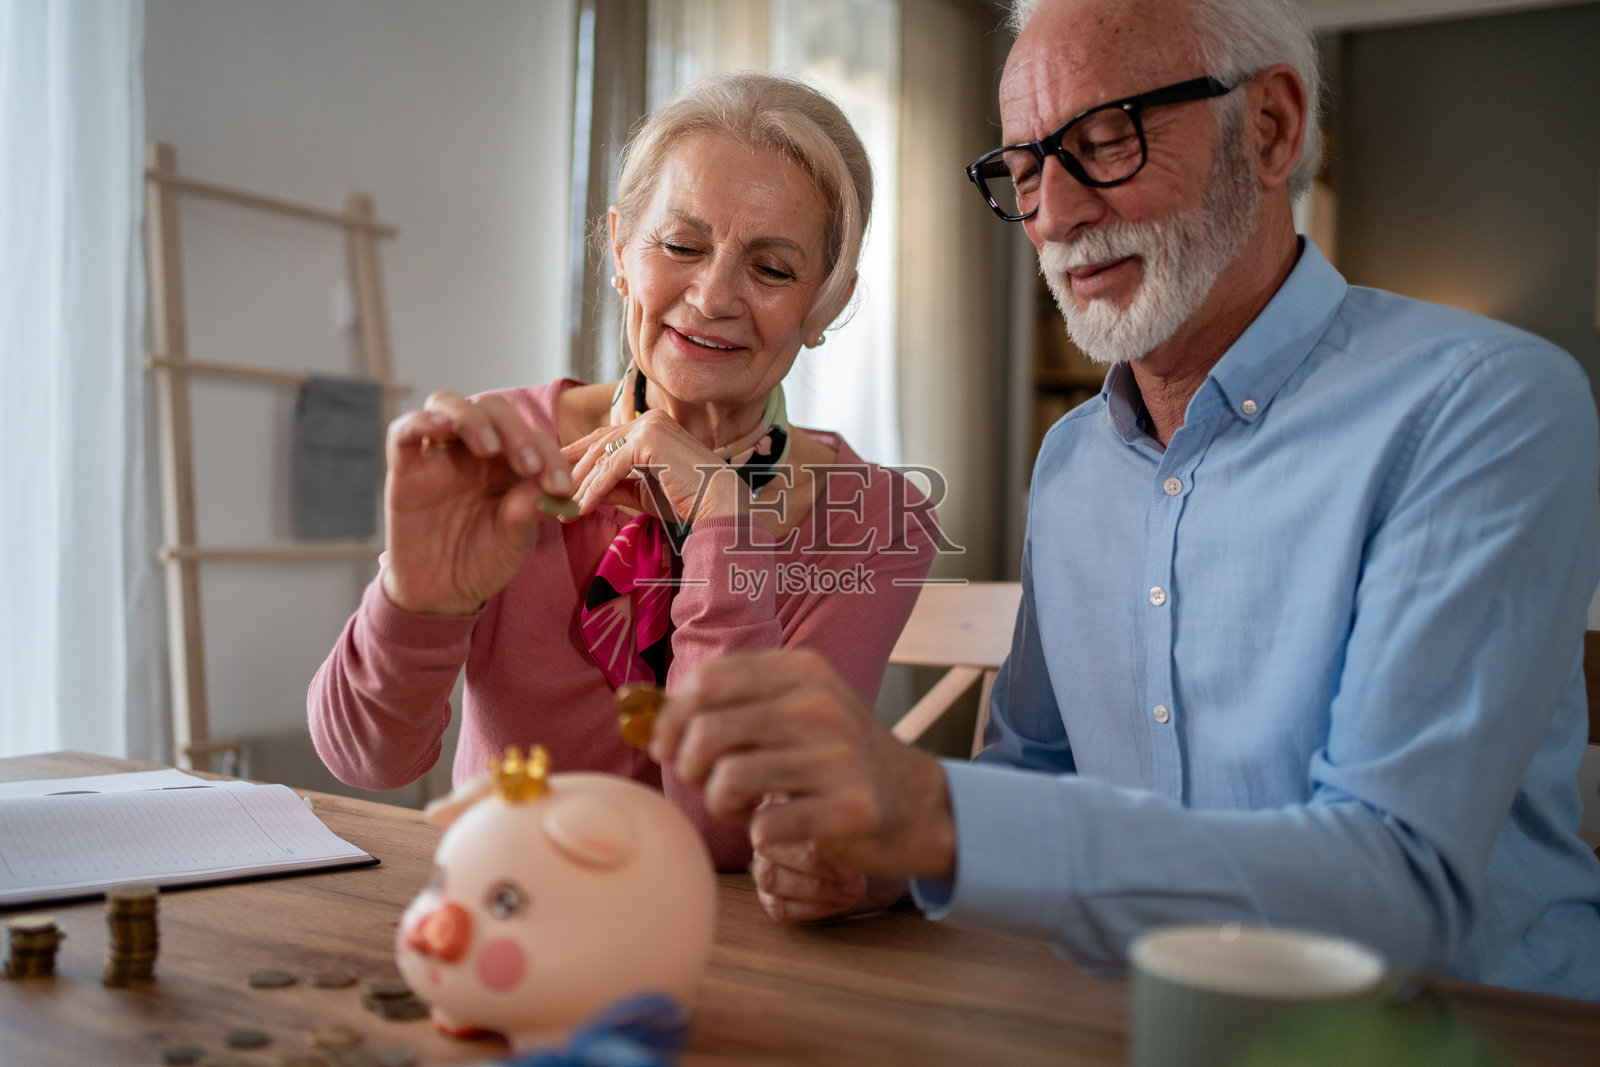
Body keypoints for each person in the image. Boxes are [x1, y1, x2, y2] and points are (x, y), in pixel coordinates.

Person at [646, 0, 1600, 1001]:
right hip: (1130, 1021)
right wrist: (891, 860)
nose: (1054, 214)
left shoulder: (1483, 404)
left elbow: (1395, 887)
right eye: (1023, 171)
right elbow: (1036, 772)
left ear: (1269, 128)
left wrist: (939, 818)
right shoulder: (1073, 460)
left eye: (1105, 142)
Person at [308, 72, 938, 871]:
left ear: (829, 302)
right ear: (619, 249)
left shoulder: (874, 517)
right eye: (681, 245)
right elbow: (367, 760)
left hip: (722, 934)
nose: (712, 296)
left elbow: (728, 834)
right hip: (507, 906)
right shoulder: (506, 448)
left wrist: (722, 524)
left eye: (773, 269)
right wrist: (417, 599)